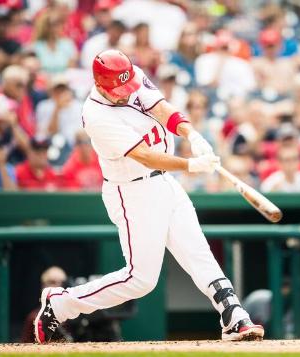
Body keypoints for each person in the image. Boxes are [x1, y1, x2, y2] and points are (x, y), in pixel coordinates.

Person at [33, 49, 264, 344]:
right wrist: (190, 166)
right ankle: (60, 304)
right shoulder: (96, 115)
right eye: (118, 90)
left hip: (165, 183)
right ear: (101, 85)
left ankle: (233, 315)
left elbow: (161, 108)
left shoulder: (130, 77)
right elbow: (144, 156)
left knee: (198, 252)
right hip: (131, 191)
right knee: (140, 279)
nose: (126, 94)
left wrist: (192, 134)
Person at [195, 29, 256, 98]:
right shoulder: (204, 60)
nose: (224, 50)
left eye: (226, 47)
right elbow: (205, 86)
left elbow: (250, 88)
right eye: (222, 46)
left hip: (237, 100)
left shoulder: (242, 64)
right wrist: (220, 65)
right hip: (212, 99)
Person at [21, 266, 69, 343]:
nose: (56, 286)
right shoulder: (34, 317)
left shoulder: (74, 315)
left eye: (61, 283)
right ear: (43, 286)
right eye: (52, 282)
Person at [251, 28, 299, 96]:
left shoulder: (288, 63)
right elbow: (255, 85)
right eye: (268, 46)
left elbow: (294, 83)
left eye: (273, 45)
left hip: (286, 97)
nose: (271, 49)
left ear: (280, 45)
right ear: (262, 46)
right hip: (263, 98)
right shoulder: (255, 63)